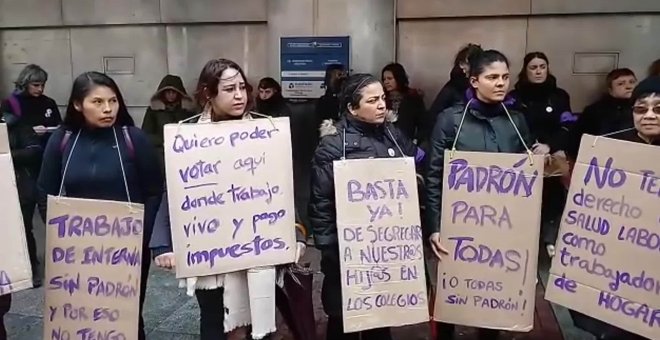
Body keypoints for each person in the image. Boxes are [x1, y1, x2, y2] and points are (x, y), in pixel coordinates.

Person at [149, 58, 308, 340]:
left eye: (242, 88)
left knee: (260, 318)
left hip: (258, 244)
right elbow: (172, 190)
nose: (239, 96)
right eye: (229, 89)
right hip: (209, 249)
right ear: (209, 94)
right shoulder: (188, 136)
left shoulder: (265, 131)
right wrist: (162, 244)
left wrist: (296, 232)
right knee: (214, 318)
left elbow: (279, 186)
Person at [36, 71, 163, 340]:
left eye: (113, 101)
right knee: (80, 316)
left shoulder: (134, 139)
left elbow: (154, 191)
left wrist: (142, 236)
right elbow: (45, 190)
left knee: (124, 317)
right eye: (98, 102)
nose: (108, 109)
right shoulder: (62, 139)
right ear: (77, 104)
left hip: (126, 249)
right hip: (75, 250)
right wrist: (60, 235)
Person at [424, 50, 533, 340]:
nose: (501, 83)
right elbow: (433, 176)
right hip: (457, 227)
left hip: (502, 228)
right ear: (474, 80)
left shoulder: (517, 121)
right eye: (492, 77)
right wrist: (434, 227)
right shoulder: (450, 120)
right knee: (452, 297)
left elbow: (527, 176)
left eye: (505, 77)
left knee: (492, 300)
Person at [309, 73, 425, 340]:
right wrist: (329, 248)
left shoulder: (394, 136)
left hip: (386, 248)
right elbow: (320, 202)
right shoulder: (333, 146)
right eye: (373, 100)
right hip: (347, 251)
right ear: (352, 107)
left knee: (381, 318)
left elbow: (415, 170)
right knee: (344, 318)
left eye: (383, 98)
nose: (382, 105)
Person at [569, 77, 660, 340]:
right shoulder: (609, 151)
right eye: (641, 109)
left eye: (658, 108)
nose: (650, 115)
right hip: (618, 271)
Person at [510, 51, 573, 256]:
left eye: (542, 67)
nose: (538, 71)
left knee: (553, 196)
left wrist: (550, 146)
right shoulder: (514, 98)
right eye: (533, 67)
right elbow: (513, 127)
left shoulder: (560, 96)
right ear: (525, 71)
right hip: (524, 154)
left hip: (551, 155)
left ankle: (549, 239)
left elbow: (567, 126)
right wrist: (531, 148)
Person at [3, 112, 43, 287]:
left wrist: (6, 155)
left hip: (19, 185)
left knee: (23, 229)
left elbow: (34, 151)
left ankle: (31, 269)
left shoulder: (17, 125)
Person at [567, 68, 637, 160]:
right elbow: (578, 141)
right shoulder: (595, 111)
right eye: (621, 84)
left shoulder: (645, 109)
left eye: (632, 82)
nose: (628, 86)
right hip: (602, 159)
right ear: (610, 90)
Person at [141, 74, 195, 171]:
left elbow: (194, 132)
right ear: (163, 93)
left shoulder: (187, 111)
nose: (171, 95)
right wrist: (164, 140)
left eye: (173, 92)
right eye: (168, 92)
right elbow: (146, 134)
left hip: (183, 152)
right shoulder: (154, 110)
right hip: (161, 154)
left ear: (179, 93)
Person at [1, 64, 61, 147]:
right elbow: (7, 131)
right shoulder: (10, 103)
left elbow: (59, 125)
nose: (40, 89)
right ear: (25, 84)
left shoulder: (49, 102)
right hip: (24, 151)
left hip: (49, 147)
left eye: (42, 85)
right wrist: (31, 130)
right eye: (35, 85)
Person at [427, 43, 483, 123]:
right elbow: (434, 115)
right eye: (461, 63)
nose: (462, 66)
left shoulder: (483, 86)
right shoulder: (453, 88)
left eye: (465, 63)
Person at [381, 62, 426, 143]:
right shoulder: (381, 99)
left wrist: (416, 140)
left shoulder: (413, 98)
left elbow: (423, 124)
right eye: (384, 79)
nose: (386, 82)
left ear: (398, 78)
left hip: (407, 141)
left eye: (390, 78)